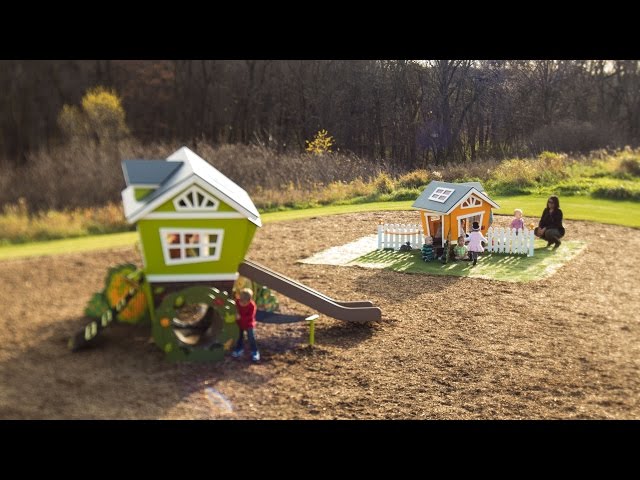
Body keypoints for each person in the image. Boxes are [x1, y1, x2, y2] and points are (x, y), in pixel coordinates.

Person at [231, 288, 260, 362]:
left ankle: (254, 351)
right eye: (241, 301)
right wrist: (235, 314)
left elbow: (250, 316)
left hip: (248, 323)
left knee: (251, 337)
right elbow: (234, 309)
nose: (242, 303)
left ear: (249, 300)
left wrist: (240, 317)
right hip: (239, 323)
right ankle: (239, 349)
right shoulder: (237, 302)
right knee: (239, 337)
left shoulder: (252, 306)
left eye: (244, 303)